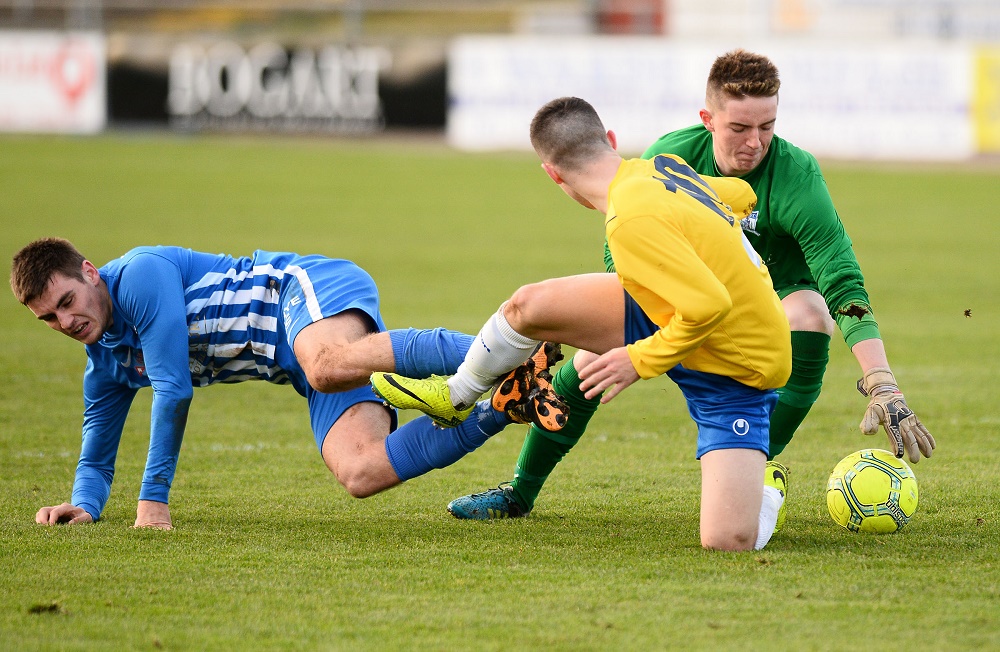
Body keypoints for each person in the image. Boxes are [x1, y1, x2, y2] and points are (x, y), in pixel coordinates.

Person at [447, 49, 936, 522]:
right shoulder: (670, 156)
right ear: (708, 119)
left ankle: (758, 470)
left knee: (810, 315)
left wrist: (881, 382)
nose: (756, 142)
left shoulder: (797, 176)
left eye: (768, 126)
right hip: (685, 301)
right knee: (589, 366)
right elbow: (621, 261)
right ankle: (519, 492)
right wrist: (579, 327)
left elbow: (840, 276)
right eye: (739, 128)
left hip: (766, 304)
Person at [372, 96, 793, 551]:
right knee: (528, 307)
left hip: (736, 364)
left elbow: (711, 305)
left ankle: (765, 491)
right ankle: (458, 393)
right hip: (667, 313)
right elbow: (740, 193)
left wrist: (637, 360)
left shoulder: (631, 218)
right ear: (610, 141)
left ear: (552, 174)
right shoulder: (660, 167)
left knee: (726, 541)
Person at [11, 239, 561, 529]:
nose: (67, 322)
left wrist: (152, 500)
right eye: (49, 319)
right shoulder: (104, 362)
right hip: (299, 363)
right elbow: (97, 455)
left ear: (89, 272)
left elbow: (173, 389)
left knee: (325, 363)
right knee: (361, 471)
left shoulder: (138, 276)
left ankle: (516, 349)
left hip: (297, 294)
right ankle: (504, 405)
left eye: (67, 302)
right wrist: (84, 503)